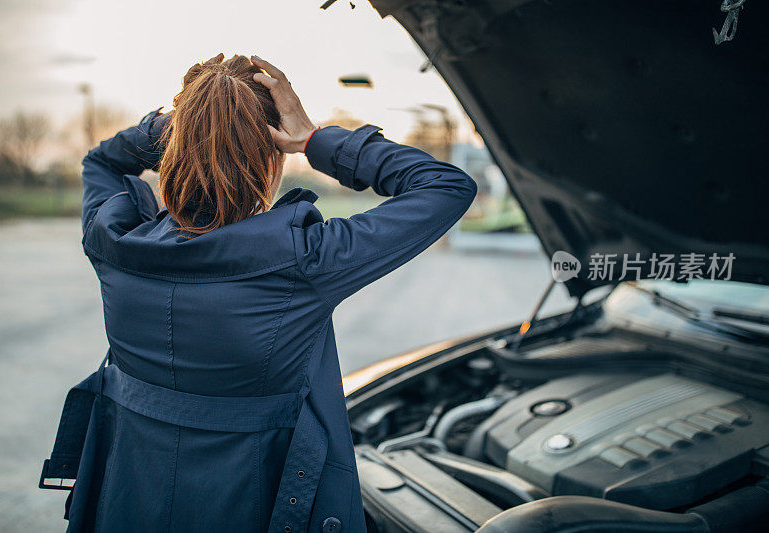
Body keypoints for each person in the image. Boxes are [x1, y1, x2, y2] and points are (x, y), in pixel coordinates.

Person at [40, 53, 477, 532]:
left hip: (125, 501)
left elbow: (102, 159)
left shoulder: (114, 242)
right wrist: (315, 139)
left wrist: (184, 123)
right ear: (272, 159)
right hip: (254, 507)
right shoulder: (303, 259)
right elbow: (444, 185)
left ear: (174, 150)